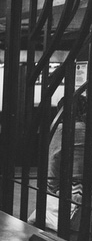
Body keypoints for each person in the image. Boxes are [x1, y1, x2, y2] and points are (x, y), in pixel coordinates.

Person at [28, 94, 87, 232]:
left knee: (33, 222)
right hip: (87, 195)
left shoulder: (63, 129)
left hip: (71, 197)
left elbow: (53, 167)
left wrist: (49, 192)